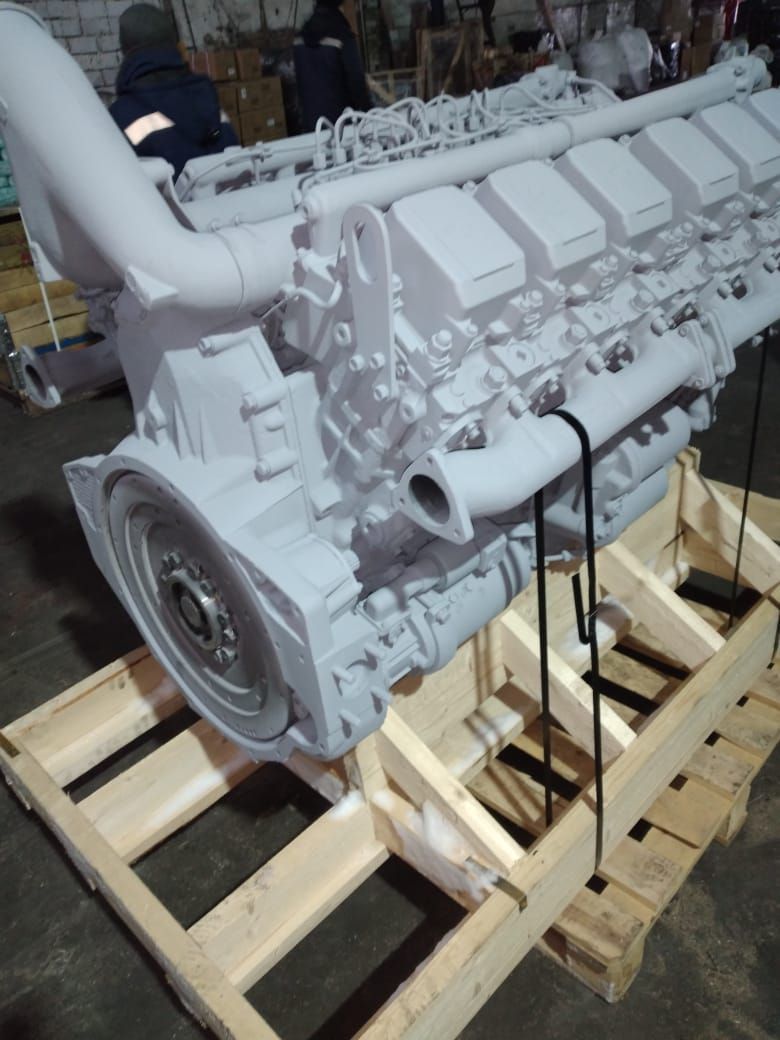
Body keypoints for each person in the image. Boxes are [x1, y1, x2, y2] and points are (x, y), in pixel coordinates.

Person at [110, 3, 238, 180]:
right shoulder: (206, 94)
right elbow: (233, 154)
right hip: (232, 192)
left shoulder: (121, 115)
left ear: (126, 49)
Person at [294, 0, 372, 131]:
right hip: (342, 127)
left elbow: (300, 83)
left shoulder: (299, 39)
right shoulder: (342, 36)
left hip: (312, 127)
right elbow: (357, 82)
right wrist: (370, 113)